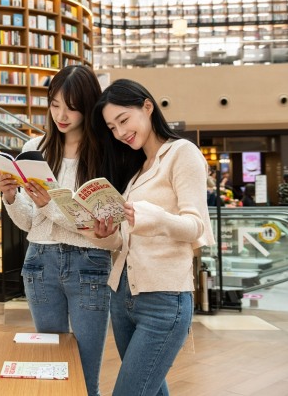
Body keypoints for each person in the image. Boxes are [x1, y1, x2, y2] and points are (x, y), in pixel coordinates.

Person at [0, 65, 119, 396]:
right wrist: (10, 195)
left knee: (86, 368)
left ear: (89, 106)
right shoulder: (36, 146)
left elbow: (94, 228)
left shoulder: (106, 153)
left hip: (90, 263)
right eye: (54, 104)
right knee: (50, 364)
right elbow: (28, 223)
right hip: (39, 262)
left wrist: (48, 205)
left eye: (72, 107)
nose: (61, 115)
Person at [92, 78, 215, 396]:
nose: (120, 133)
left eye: (123, 120)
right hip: (122, 297)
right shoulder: (135, 171)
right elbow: (126, 240)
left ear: (147, 106)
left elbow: (196, 226)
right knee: (150, 389)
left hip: (164, 300)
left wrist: (154, 218)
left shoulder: (181, 153)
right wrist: (106, 235)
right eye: (112, 127)